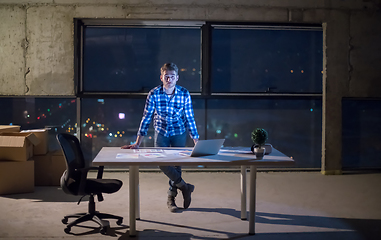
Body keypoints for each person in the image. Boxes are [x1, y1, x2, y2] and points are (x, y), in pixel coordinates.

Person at [121, 62, 199, 212]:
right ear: (161, 78)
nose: (169, 80)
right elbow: (146, 118)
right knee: (162, 163)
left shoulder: (184, 94)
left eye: (172, 77)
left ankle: (171, 199)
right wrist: (137, 142)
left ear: (177, 78)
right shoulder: (154, 94)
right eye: (166, 77)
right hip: (161, 131)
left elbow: (190, 118)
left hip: (179, 132)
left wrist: (196, 142)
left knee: (176, 165)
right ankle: (184, 187)